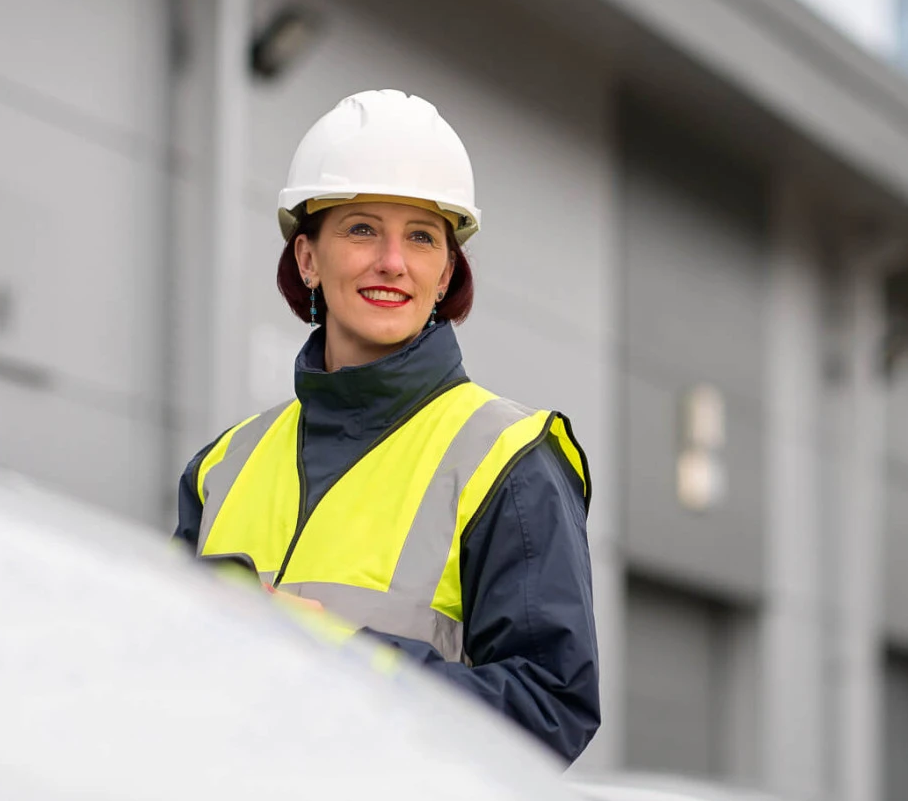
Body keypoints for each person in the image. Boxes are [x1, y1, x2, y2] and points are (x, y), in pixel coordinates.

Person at [174, 90, 598, 762]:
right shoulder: (221, 467)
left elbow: (553, 709)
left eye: (422, 237)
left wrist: (346, 657)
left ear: (446, 271)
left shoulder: (510, 461)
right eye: (362, 229)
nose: (392, 262)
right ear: (308, 258)